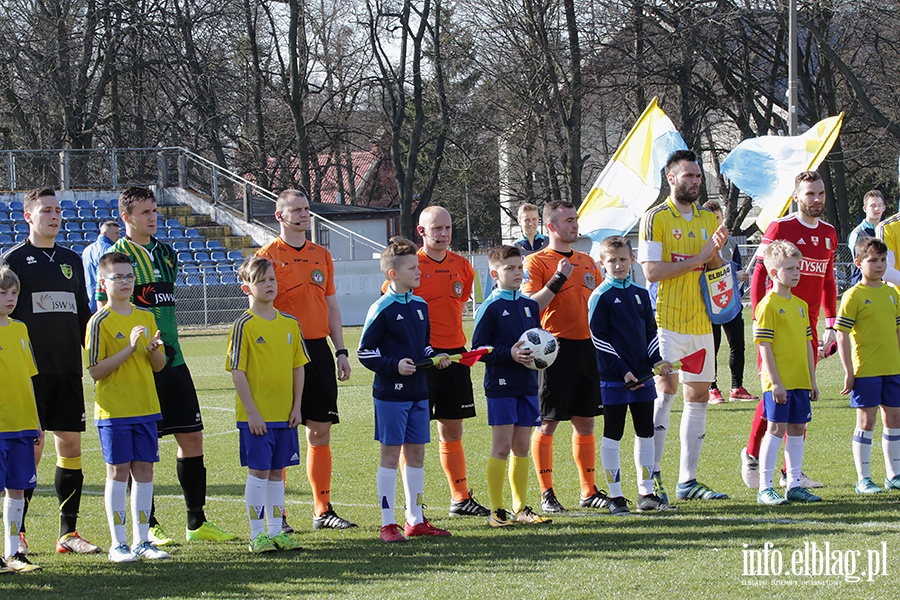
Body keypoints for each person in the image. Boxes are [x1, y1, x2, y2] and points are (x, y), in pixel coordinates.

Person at [97, 186, 236, 544]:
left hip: (173, 359)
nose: (153, 217)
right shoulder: (117, 257)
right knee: (138, 449)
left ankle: (196, 521)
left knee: (191, 436)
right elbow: (104, 311)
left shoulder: (166, 253)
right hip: (137, 367)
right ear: (127, 217)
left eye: (154, 210)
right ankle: (151, 523)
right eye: (144, 212)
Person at [1, 188, 100, 555]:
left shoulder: (71, 259)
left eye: (57, 210)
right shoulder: (13, 260)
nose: (54, 216)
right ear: (28, 216)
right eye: (46, 210)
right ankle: (19, 533)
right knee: (32, 450)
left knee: (70, 445)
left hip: (67, 369)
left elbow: (83, 316)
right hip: (31, 374)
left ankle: (67, 534)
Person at [255, 189, 356, 531]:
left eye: (306, 209)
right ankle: (278, 515)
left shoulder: (321, 255)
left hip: (318, 350)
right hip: (282, 352)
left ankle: (322, 509)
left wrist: (340, 350)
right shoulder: (267, 256)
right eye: (295, 210)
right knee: (283, 432)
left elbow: (331, 306)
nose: (303, 215)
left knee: (320, 429)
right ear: (279, 215)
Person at [638, 150, 729, 503]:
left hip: (701, 322)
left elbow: (714, 267)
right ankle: (653, 475)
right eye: (688, 175)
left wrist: (717, 255)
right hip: (666, 321)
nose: (694, 181)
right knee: (665, 394)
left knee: (699, 398)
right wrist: (699, 258)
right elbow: (652, 271)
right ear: (671, 178)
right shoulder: (655, 218)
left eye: (697, 176)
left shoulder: (708, 219)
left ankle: (687, 481)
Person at [741, 171, 837, 490]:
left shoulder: (828, 233)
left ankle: (790, 473)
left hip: (806, 325)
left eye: (821, 193)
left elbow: (828, 280)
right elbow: (758, 272)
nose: (817, 199)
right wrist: (758, 315)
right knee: (774, 391)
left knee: (799, 394)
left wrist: (832, 323)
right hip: (776, 323)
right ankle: (753, 455)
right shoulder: (781, 227)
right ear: (797, 196)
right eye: (810, 194)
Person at [359, 237, 452, 542]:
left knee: (416, 456)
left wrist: (433, 358)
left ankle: (415, 519)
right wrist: (394, 365)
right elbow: (366, 352)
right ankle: (388, 523)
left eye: (419, 266)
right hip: (391, 394)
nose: (419, 271)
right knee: (390, 456)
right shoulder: (381, 307)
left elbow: (422, 345)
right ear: (393, 274)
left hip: (419, 392)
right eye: (413, 267)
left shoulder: (421, 305)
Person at [522, 200, 607, 513]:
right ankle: (547, 493)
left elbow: (600, 304)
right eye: (568, 220)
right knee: (548, 422)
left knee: (585, 422)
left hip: (588, 348)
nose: (575, 225)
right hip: (553, 350)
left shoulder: (587, 261)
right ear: (551, 227)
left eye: (575, 219)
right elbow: (531, 307)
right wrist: (557, 279)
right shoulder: (536, 262)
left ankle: (588, 491)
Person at [86, 252, 169, 562]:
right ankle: (118, 544)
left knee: (144, 471)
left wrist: (152, 350)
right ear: (103, 282)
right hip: (114, 411)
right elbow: (95, 370)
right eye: (118, 277)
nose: (125, 282)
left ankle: (142, 541)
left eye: (129, 276)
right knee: (118, 472)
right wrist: (129, 348)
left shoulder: (146, 316)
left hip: (145, 407)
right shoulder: (99, 322)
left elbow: (158, 366)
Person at [589, 236, 675, 515]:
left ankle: (646, 493)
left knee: (645, 433)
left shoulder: (640, 293)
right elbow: (598, 339)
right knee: (613, 434)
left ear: (632, 260)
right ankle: (615, 497)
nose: (618, 265)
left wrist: (656, 360)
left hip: (643, 378)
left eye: (623, 259)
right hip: (615, 379)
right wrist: (622, 371)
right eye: (611, 260)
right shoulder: (600, 296)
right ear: (602, 263)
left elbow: (650, 333)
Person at [227, 256, 306, 553]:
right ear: (246, 288)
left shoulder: (290, 324)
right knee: (259, 473)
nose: (269, 285)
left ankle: (277, 531)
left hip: (285, 414)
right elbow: (238, 371)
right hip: (257, 417)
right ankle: (257, 534)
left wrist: (297, 406)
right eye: (260, 280)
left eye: (271, 278)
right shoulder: (243, 325)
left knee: (277, 473)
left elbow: (299, 366)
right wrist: (252, 413)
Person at [413, 206, 488, 517]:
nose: (443, 234)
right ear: (422, 232)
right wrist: (426, 352)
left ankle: (460, 498)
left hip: (456, 355)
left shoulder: (463, 266)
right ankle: (413, 504)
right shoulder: (411, 265)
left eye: (448, 228)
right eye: (436, 229)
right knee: (414, 433)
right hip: (423, 359)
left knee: (452, 429)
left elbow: (461, 302)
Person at [471, 245, 552, 527]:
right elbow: (478, 349)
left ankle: (521, 508)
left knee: (521, 447)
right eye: (510, 268)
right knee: (502, 446)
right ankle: (497, 510)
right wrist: (510, 354)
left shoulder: (530, 306)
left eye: (520, 268)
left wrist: (547, 351)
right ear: (495, 273)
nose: (517, 273)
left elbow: (537, 341)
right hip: (501, 385)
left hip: (527, 384)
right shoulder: (490, 307)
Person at [754, 240, 821, 505]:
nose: (797, 273)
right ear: (773, 273)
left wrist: (812, 380)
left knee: (797, 428)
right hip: (778, 382)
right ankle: (765, 487)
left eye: (798, 267)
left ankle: (793, 484)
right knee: (775, 428)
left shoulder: (801, 305)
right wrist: (776, 382)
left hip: (801, 380)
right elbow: (764, 347)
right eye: (790, 268)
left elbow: (807, 345)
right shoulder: (767, 305)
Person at [835, 238, 900, 494]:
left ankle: (893, 474)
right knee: (866, 421)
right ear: (859, 263)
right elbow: (841, 335)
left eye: (883, 260)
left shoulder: (892, 293)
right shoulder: (853, 296)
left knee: (894, 418)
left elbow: (897, 330)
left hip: (892, 368)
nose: (879, 265)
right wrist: (849, 372)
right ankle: (864, 478)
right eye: (873, 261)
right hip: (866, 370)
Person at [0, 266, 42, 573]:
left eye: (14, 293)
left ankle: (13, 553)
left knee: (18, 489)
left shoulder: (20, 328)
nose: (9, 298)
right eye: (2, 293)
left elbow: (28, 378)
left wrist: (36, 420)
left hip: (22, 425)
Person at [701, 200, 756, 404]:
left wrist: (740, 274)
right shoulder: (700, 242)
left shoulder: (730, 242)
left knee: (738, 344)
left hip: (731, 302)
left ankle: (737, 387)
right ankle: (712, 387)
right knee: (711, 346)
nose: (716, 223)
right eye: (712, 218)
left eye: (719, 218)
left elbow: (738, 268)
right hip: (709, 305)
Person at [82, 220, 121, 313]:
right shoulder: (109, 250)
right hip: (104, 299)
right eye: (116, 233)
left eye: (119, 233)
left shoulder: (87, 250)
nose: (119, 236)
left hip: (90, 298)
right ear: (105, 233)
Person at [847, 191, 885, 285]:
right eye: (873, 205)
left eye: (879, 205)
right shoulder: (858, 234)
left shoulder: (888, 230)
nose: (877, 208)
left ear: (884, 207)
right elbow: (860, 263)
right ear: (865, 208)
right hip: (863, 285)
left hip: (884, 285)